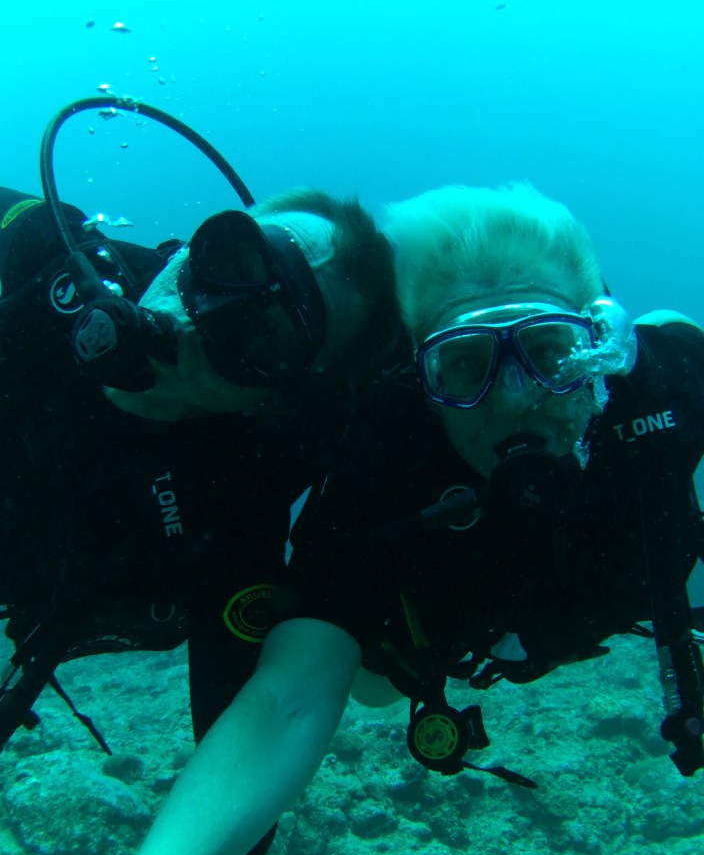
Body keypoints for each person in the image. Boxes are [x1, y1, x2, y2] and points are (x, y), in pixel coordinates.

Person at [0, 181, 400, 855]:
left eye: (260, 338)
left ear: (277, 398)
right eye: (224, 265)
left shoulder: (235, 512)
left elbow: (249, 760)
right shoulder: (67, 265)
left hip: (53, 590)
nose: (194, 318)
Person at [280, 181, 704, 793]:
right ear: (424, 382)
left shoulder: (664, 398)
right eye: (466, 362)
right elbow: (291, 695)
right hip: (454, 626)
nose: (512, 400)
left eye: (549, 352)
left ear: (597, 349)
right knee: (371, 688)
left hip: (628, 576)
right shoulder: (384, 458)